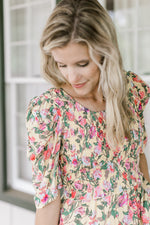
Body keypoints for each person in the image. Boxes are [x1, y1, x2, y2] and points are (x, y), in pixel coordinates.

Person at [26, 0, 150, 224]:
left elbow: (138, 160)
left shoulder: (131, 91)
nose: (72, 78)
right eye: (62, 65)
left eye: (82, 64)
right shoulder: (50, 111)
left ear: (105, 53)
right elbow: (47, 201)